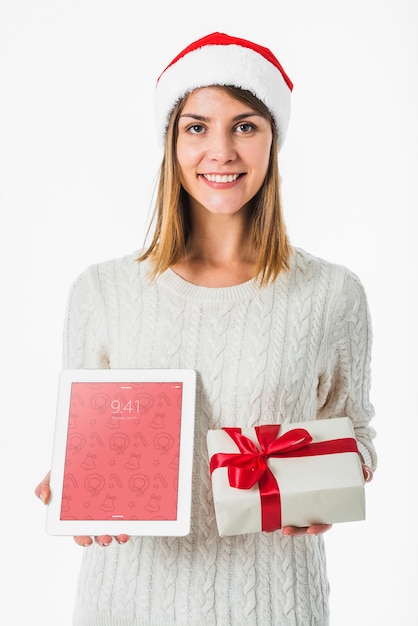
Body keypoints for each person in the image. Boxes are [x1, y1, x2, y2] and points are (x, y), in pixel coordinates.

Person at [35, 31, 376, 626]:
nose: (220, 151)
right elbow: (87, 438)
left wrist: (338, 478)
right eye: (196, 127)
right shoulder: (103, 292)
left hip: (274, 604)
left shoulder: (333, 294)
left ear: (274, 140)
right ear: (171, 144)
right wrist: (74, 482)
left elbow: (360, 433)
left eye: (245, 126)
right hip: (126, 605)